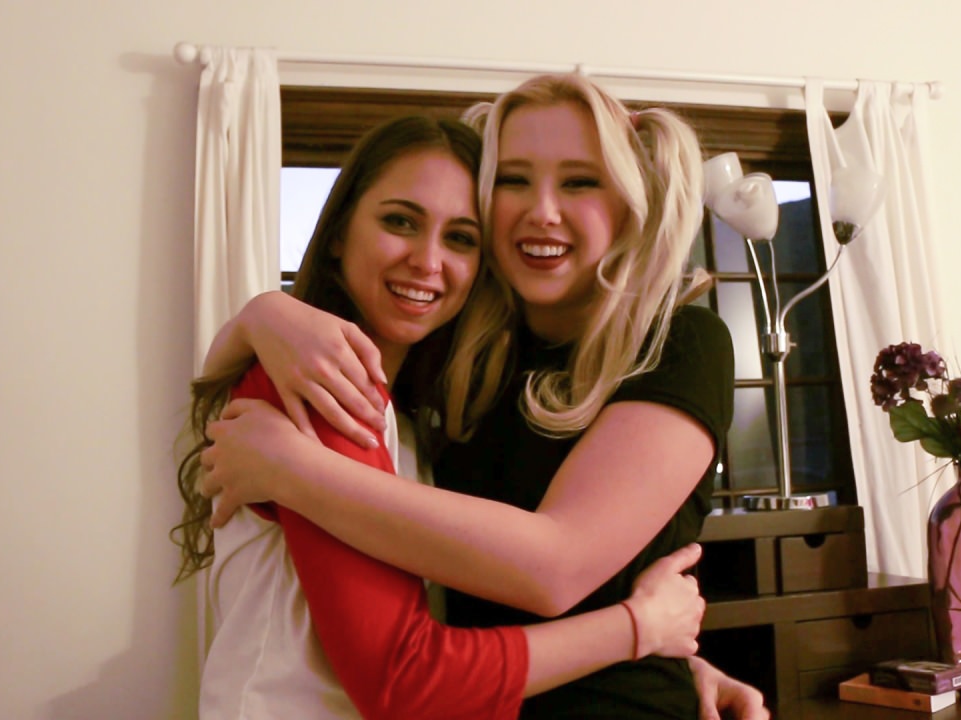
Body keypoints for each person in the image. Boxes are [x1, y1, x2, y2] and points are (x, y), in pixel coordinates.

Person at [198, 74, 763, 719]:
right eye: (514, 180)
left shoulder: (675, 342)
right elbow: (414, 647)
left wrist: (663, 649)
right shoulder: (449, 367)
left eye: (579, 182)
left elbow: (557, 569)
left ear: (629, 204)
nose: (542, 210)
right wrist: (261, 314)